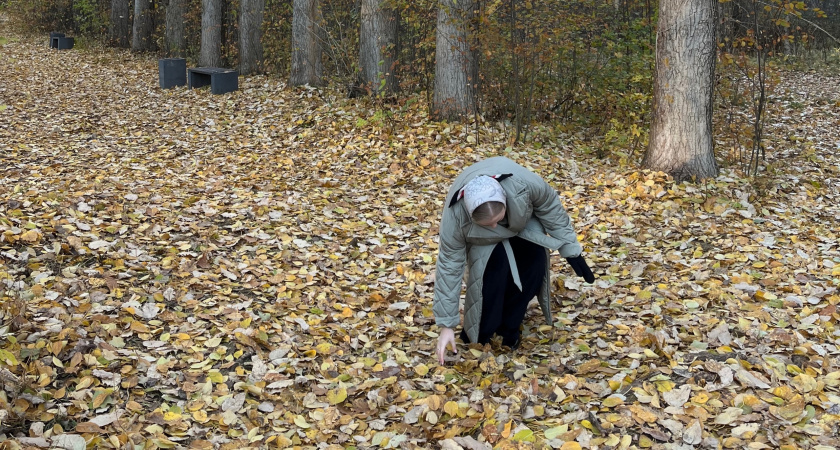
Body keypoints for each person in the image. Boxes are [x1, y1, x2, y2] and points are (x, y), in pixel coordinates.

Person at [433, 156, 595, 364]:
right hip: (481, 242)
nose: (494, 226)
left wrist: (571, 249)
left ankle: (511, 325)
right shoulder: (455, 216)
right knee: (492, 273)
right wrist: (446, 325)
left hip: (521, 225)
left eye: (497, 220)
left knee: (534, 266)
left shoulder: (525, 185)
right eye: (487, 223)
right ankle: (485, 330)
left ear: (505, 201)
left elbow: (551, 209)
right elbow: (449, 265)